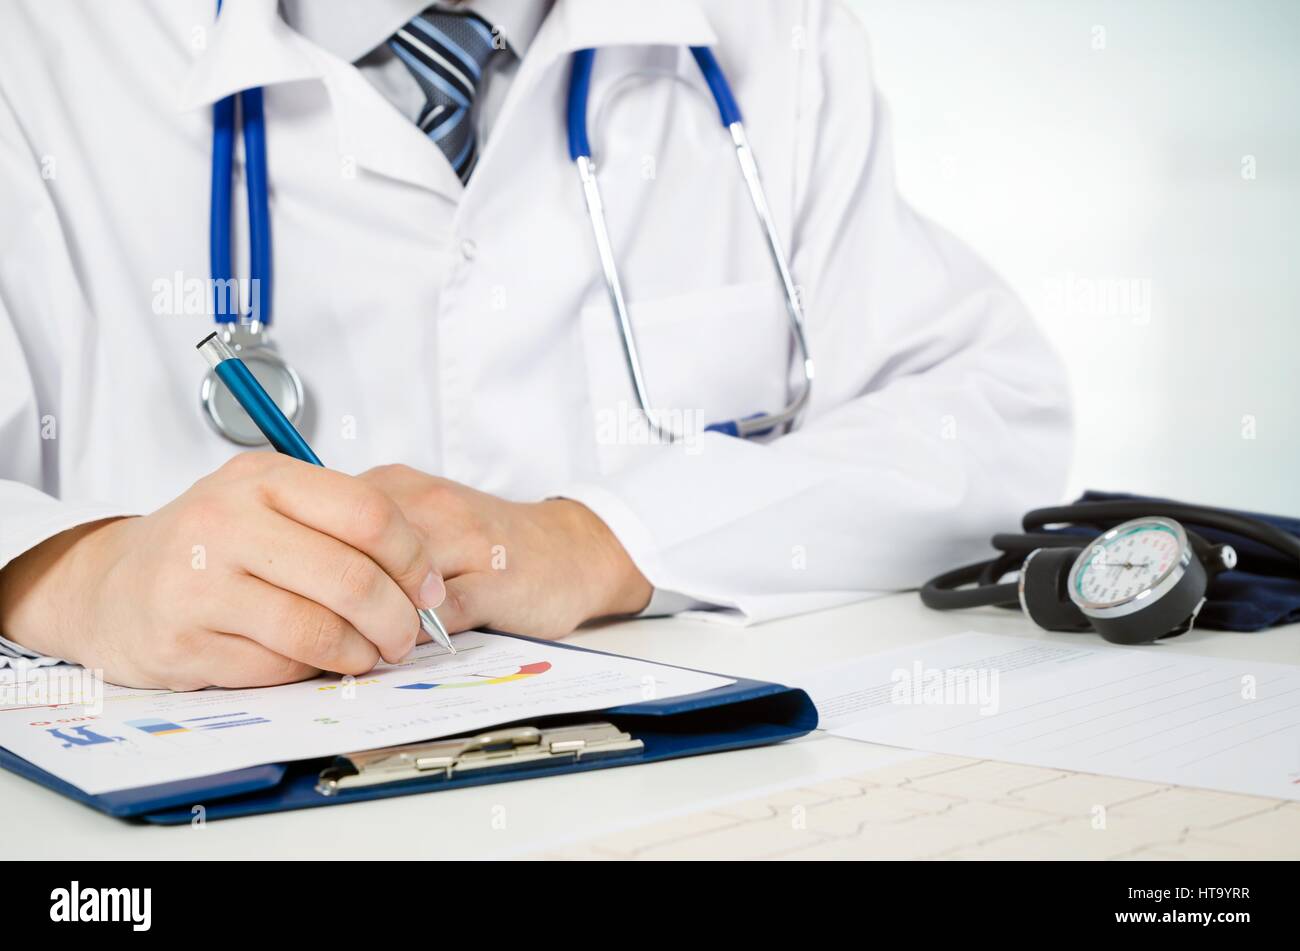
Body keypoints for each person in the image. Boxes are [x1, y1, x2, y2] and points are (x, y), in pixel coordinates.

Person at [0, 0, 1071, 690]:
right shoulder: (35, 52)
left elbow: (989, 412)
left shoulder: (767, 36)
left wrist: (599, 542)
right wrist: (77, 580)